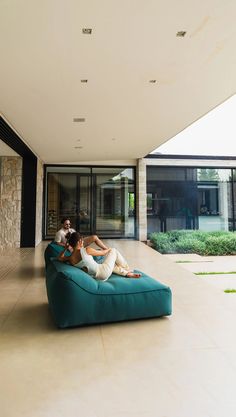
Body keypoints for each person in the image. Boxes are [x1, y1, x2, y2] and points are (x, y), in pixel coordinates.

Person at [58, 231, 141, 281]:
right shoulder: (87, 250)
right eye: (82, 240)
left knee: (109, 265)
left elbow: (60, 258)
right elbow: (104, 253)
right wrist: (109, 250)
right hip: (103, 272)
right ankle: (127, 269)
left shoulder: (71, 259)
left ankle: (126, 273)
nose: (83, 241)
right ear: (79, 241)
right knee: (114, 251)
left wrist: (65, 248)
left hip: (97, 277)